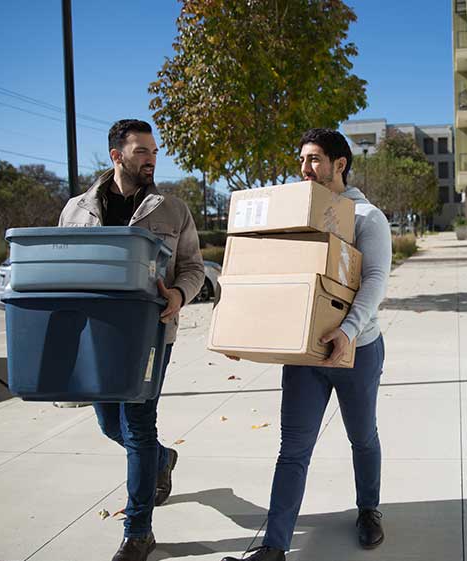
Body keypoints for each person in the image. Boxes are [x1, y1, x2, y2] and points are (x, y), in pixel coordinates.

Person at [223, 129, 392, 561]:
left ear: (340, 164)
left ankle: (368, 509)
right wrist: (244, 330)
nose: (304, 169)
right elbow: (276, 275)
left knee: (362, 436)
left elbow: (374, 283)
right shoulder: (303, 215)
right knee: (293, 448)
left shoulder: (367, 218)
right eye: (302, 159)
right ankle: (275, 546)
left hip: (357, 348)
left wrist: (348, 331)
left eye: (314, 159)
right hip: (305, 353)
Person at [58, 119, 205, 561]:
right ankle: (162, 460)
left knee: (139, 426)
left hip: (151, 334)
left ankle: (138, 531)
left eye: (154, 150)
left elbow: (194, 267)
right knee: (110, 425)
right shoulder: (76, 210)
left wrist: (179, 295)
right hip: (95, 335)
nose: (151, 158)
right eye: (142, 150)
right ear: (116, 155)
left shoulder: (173, 210)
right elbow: (63, 269)